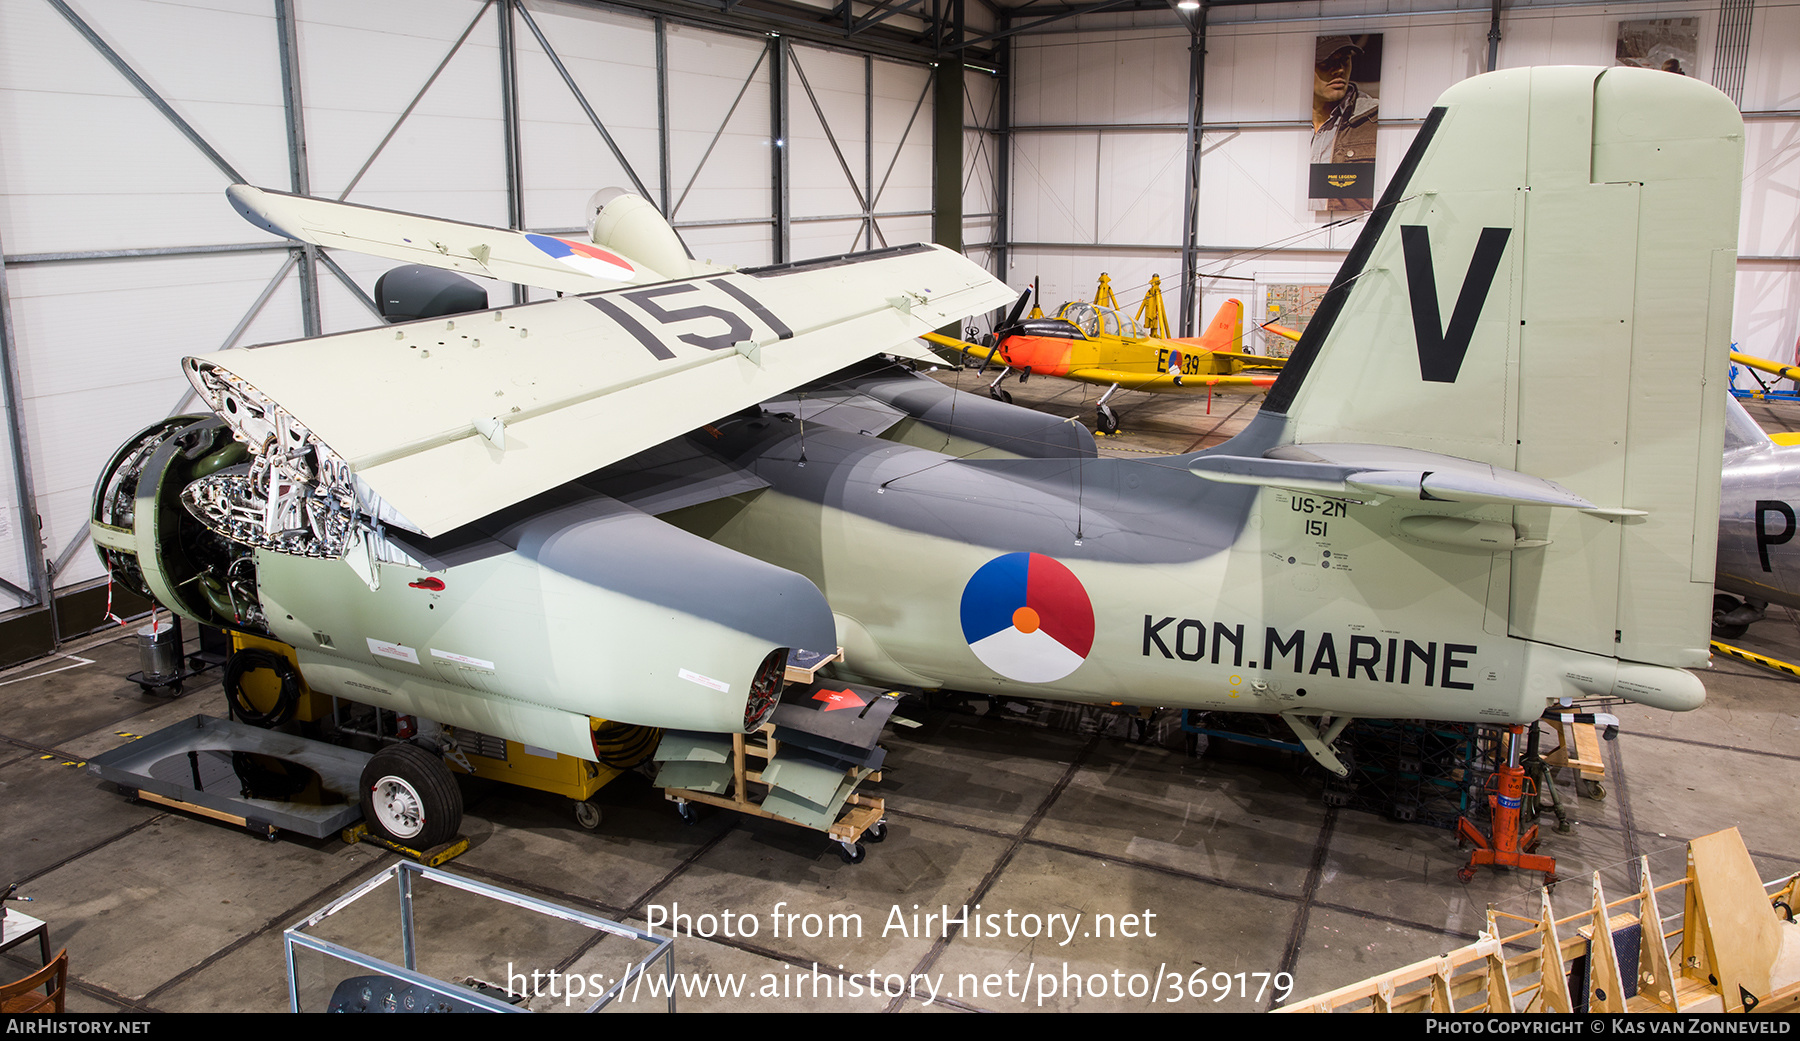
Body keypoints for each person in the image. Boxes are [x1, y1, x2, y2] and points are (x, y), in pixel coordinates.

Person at [1310, 36, 1378, 211]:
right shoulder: (1282, 122)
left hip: (1350, 229)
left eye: (1345, 59)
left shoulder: (1374, 119)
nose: (1339, 70)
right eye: (1326, 62)